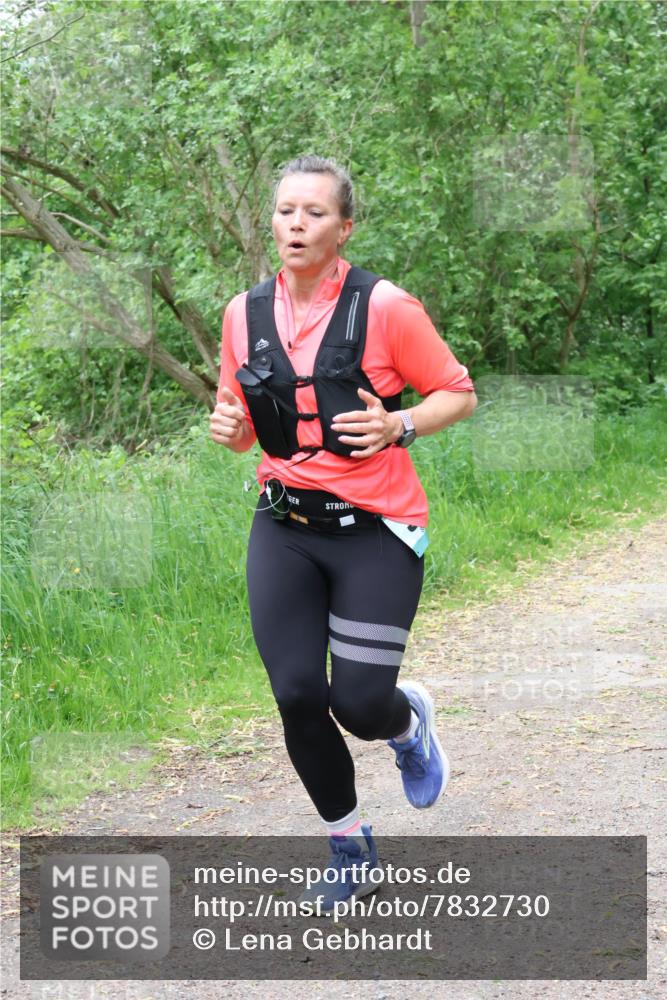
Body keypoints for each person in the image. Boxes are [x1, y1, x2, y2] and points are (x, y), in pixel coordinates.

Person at [209, 155, 476, 914]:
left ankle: (404, 721)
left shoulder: (386, 307)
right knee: (296, 691)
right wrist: (226, 428)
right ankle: (348, 847)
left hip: (377, 529)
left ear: (343, 227)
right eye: (286, 210)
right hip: (285, 525)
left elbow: (457, 393)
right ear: (272, 222)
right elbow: (241, 429)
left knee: (357, 703)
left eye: (314, 212)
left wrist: (399, 422)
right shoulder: (242, 314)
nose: (296, 224)